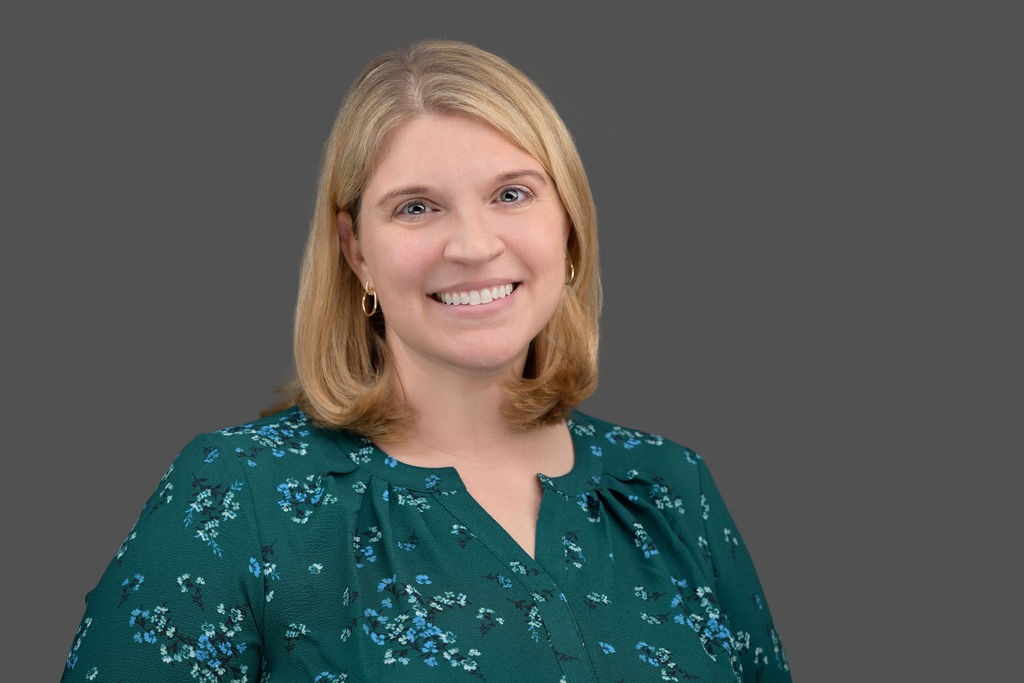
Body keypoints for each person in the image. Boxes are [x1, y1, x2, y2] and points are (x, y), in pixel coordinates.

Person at [62, 39, 790, 682]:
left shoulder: (669, 489)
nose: (472, 245)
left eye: (512, 194)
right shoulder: (239, 495)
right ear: (356, 251)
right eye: (416, 207)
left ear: (567, 226)